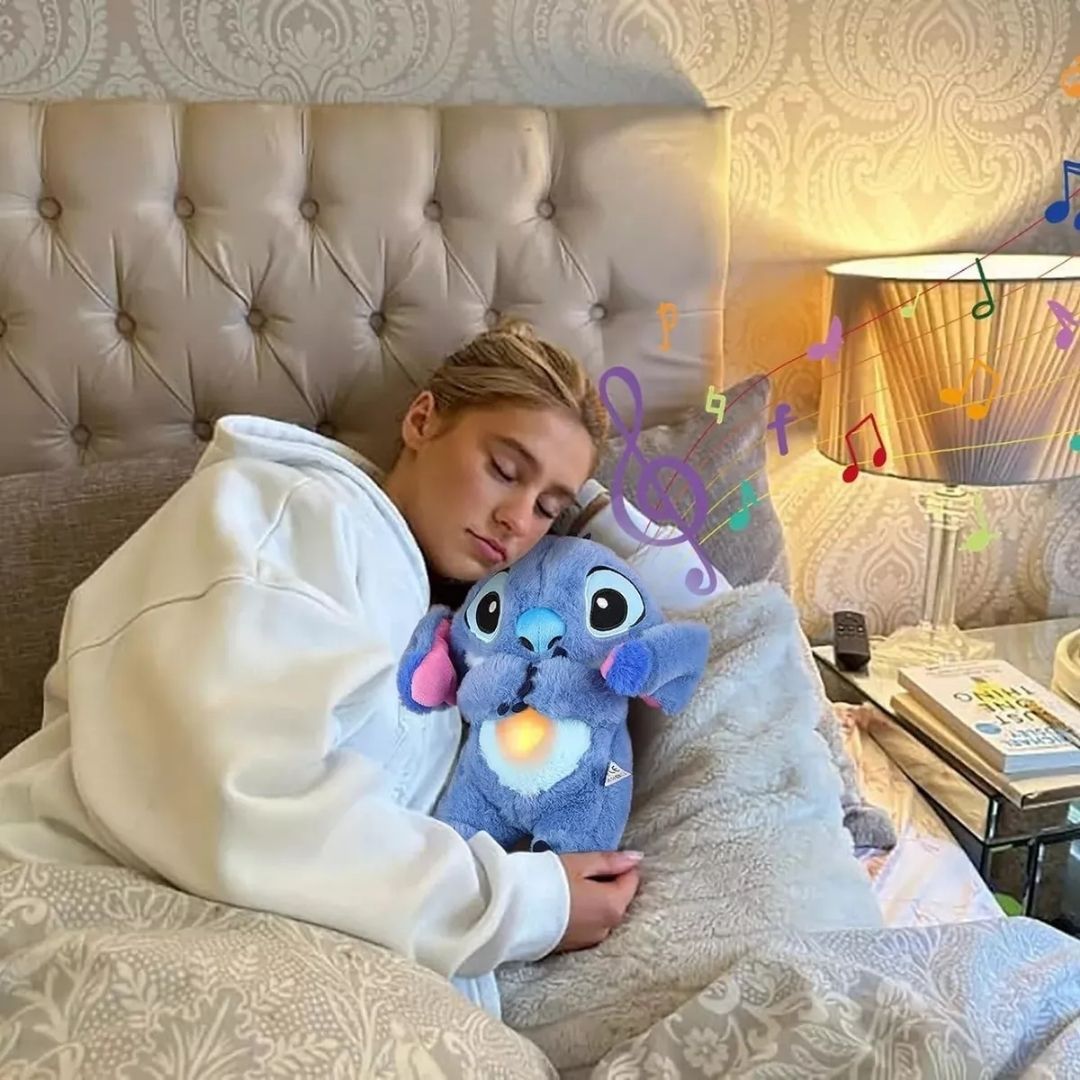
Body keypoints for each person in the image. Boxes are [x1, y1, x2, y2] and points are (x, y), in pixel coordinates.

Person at [0, 317, 662, 1021]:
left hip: (255, 938)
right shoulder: (281, 515)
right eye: (504, 469)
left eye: (549, 508)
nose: (517, 519)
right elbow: (241, 800)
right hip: (87, 897)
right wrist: (522, 903)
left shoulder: (445, 630)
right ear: (422, 420)